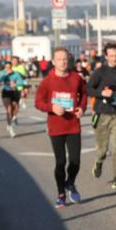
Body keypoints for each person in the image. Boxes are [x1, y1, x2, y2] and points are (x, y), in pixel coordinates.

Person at [35, 48, 87, 208]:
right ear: (53, 62)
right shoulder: (47, 81)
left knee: (75, 161)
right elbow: (38, 102)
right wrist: (52, 107)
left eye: (65, 59)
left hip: (73, 125)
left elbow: (84, 94)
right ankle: (61, 193)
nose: (63, 62)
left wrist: (81, 108)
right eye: (59, 59)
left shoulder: (76, 78)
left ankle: (70, 183)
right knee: (60, 162)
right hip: (56, 127)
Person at [87, 43, 116, 190]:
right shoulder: (100, 72)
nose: (114, 58)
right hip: (102, 113)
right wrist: (101, 93)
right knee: (102, 150)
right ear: (106, 56)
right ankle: (98, 162)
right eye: (111, 56)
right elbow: (88, 89)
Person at [0, 61, 26, 137]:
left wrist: (15, 84)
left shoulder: (15, 73)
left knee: (16, 107)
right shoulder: (2, 73)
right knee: (9, 109)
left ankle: (11, 119)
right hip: (6, 93)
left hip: (14, 92)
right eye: (6, 67)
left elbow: (21, 82)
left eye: (9, 67)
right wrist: (5, 75)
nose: (8, 69)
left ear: (11, 67)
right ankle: (10, 127)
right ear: (4, 67)